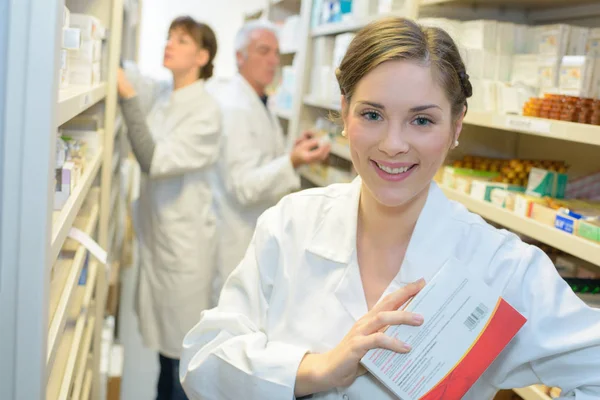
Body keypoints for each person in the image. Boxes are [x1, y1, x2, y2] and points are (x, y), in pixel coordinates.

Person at [180, 17, 600, 400]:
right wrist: (317, 369)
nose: (393, 143)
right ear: (345, 113)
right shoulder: (290, 225)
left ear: (456, 126)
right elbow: (202, 361)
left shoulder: (500, 266)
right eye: (372, 114)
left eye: (422, 120)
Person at [116, 16, 219, 400]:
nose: (169, 44)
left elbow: (152, 160)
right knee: (165, 357)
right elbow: (126, 70)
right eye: (168, 37)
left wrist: (126, 98)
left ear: (202, 56)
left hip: (184, 253)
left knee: (181, 364)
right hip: (160, 246)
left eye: (181, 40)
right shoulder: (164, 93)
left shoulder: (206, 112)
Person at [208, 20, 330, 300]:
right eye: (263, 51)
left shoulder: (259, 99)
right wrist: (292, 161)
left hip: (255, 230)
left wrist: (292, 151)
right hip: (237, 235)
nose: (273, 60)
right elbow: (243, 187)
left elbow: (260, 158)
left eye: (276, 52)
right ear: (240, 56)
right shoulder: (235, 107)